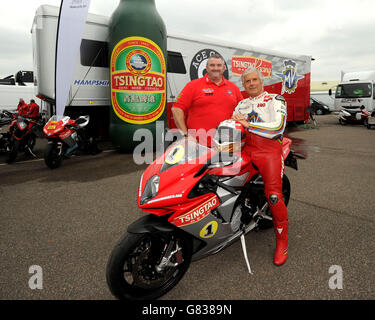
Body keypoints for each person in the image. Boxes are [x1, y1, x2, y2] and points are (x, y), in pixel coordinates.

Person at [232, 66, 289, 266]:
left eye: (255, 79)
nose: (252, 83)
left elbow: (278, 128)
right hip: (246, 150)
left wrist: (248, 124)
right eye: (247, 81)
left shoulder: (276, 99)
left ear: (261, 81)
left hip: (269, 151)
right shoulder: (240, 104)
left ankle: (282, 241)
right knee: (226, 184)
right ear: (244, 84)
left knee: (273, 196)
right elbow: (233, 128)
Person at [172, 54, 243, 146]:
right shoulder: (193, 86)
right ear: (207, 67)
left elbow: (243, 109)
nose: (215, 68)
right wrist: (185, 135)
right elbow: (176, 109)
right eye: (212, 65)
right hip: (199, 145)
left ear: (224, 68)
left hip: (227, 143)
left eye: (219, 65)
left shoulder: (233, 87)